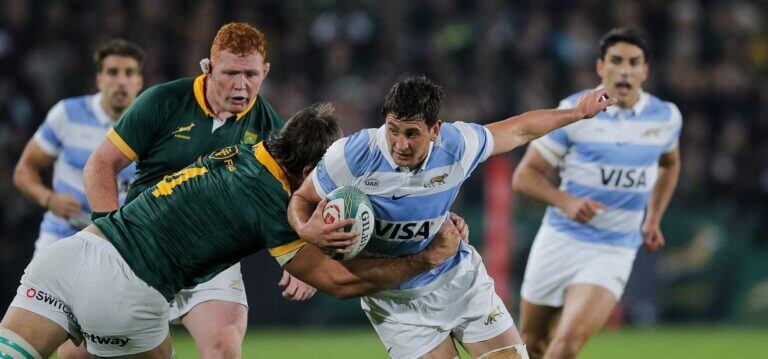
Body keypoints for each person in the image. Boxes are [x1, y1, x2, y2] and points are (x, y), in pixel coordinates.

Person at [0, 103, 465, 358]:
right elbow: (341, 283)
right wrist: (426, 258)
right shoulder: (271, 201)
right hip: (127, 292)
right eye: (327, 176)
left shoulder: (244, 152)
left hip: (69, 257)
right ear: (308, 169)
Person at [288, 76, 615, 359]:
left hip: (460, 281)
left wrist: (577, 113)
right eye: (393, 130)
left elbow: (520, 129)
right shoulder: (353, 155)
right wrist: (307, 230)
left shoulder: (457, 146)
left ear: (435, 130)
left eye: (412, 134)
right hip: (395, 303)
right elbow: (301, 198)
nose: (400, 144)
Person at [82, 22, 314, 358]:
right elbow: (101, 165)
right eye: (230, 73)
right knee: (76, 352)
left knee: (224, 346)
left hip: (211, 256)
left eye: (250, 74)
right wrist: (113, 241)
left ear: (265, 72)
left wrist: (301, 257)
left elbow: (295, 195)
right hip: (144, 246)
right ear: (208, 68)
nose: (241, 85)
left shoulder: (270, 129)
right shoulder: (164, 101)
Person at [512, 28, 681, 359]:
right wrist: (567, 202)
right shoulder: (575, 111)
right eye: (616, 61)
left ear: (645, 70)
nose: (624, 70)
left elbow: (670, 163)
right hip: (560, 239)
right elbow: (524, 177)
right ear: (600, 67)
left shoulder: (666, 117)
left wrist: (653, 218)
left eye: (633, 62)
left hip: (613, 249)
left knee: (566, 346)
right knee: (531, 344)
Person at [12, 39, 145, 359]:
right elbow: (24, 170)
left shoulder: (151, 123)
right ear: (99, 78)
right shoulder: (68, 115)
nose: (121, 81)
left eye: (129, 73)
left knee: (99, 351)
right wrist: (49, 199)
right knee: (46, 346)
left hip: (118, 249)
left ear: (140, 81)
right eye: (112, 72)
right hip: (62, 240)